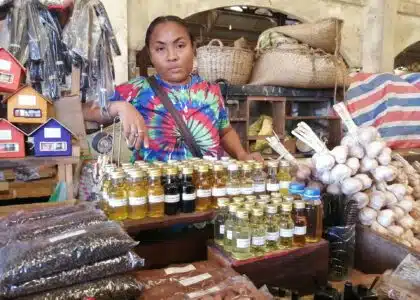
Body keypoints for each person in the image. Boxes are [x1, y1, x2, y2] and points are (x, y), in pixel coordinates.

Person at [83, 15, 263, 163]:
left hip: (207, 189)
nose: (172, 56)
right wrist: (120, 107)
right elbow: (85, 111)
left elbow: (225, 132)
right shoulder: (137, 90)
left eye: (180, 46)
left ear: (193, 48)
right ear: (150, 55)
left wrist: (242, 155)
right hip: (155, 193)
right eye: (160, 48)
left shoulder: (211, 92)